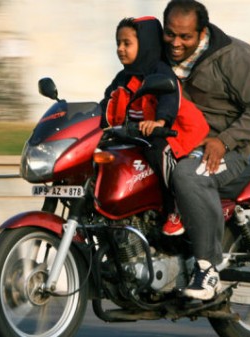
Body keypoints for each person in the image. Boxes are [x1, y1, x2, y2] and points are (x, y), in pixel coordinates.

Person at [162, 0, 250, 300]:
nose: (176, 43)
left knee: (190, 175)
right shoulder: (161, 53)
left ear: (202, 33)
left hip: (225, 150)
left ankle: (208, 267)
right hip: (177, 143)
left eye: (185, 36)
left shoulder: (233, 56)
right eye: (170, 34)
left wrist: (225, 140)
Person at [99, 16, 209, 236]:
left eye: (127, 43)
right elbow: (106, 103)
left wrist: (160, 121)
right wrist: (94, 124)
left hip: (176, 135)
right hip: (140, 136)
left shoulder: (159, 71)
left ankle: (177, 208)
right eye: (118, 43)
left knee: (157, 150)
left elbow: (169, 96)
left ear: (146, 43)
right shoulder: (123, 77)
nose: (120, 49)